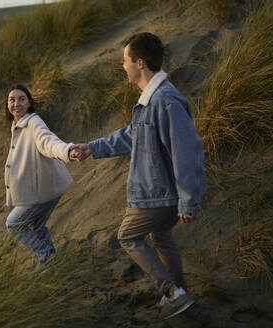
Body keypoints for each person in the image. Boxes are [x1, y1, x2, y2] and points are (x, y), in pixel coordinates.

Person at [71, 32, 207, 319]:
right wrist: (92, 148)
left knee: (128, 236)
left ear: (140, 63)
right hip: (164, 193)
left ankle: (171, 292)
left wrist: (187, 201)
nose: (123, 66)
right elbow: (130, 136)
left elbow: (186, 152)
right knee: (162, 238)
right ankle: (179, 295)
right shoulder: (150, 99)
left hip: (161, 194)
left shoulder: (165, 100)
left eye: (125, 60)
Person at [4, 84, 80, 264]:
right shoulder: (18, 125)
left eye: (22, 99)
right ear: (7, 104)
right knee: (36, 226)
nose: (17, 104)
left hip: (43, 190)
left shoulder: (34, 123)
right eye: (12, 100)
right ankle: (53, 262)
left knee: (13, 223)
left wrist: (67, 150)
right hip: (48, 187)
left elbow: (48, 142)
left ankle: (44, 253)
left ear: (29, 103)